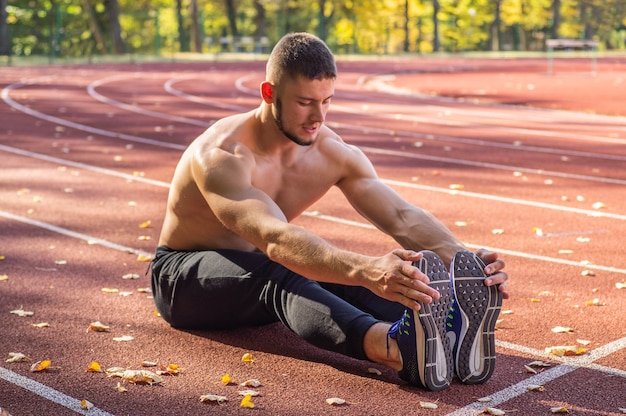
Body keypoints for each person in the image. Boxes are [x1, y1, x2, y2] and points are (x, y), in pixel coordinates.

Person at [151, 32, 509, 391]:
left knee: (378, 282)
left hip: (256, 271)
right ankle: (395, 349)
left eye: (327, 101)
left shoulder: (332, 151)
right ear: (268, 93)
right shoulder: (222, 156)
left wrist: (465, 257)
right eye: (305, 102)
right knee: (288, 268)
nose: (317, 116)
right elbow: (274, 239)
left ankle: (450, 328)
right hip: (183, 279)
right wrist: (366, 269)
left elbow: (401, 216)